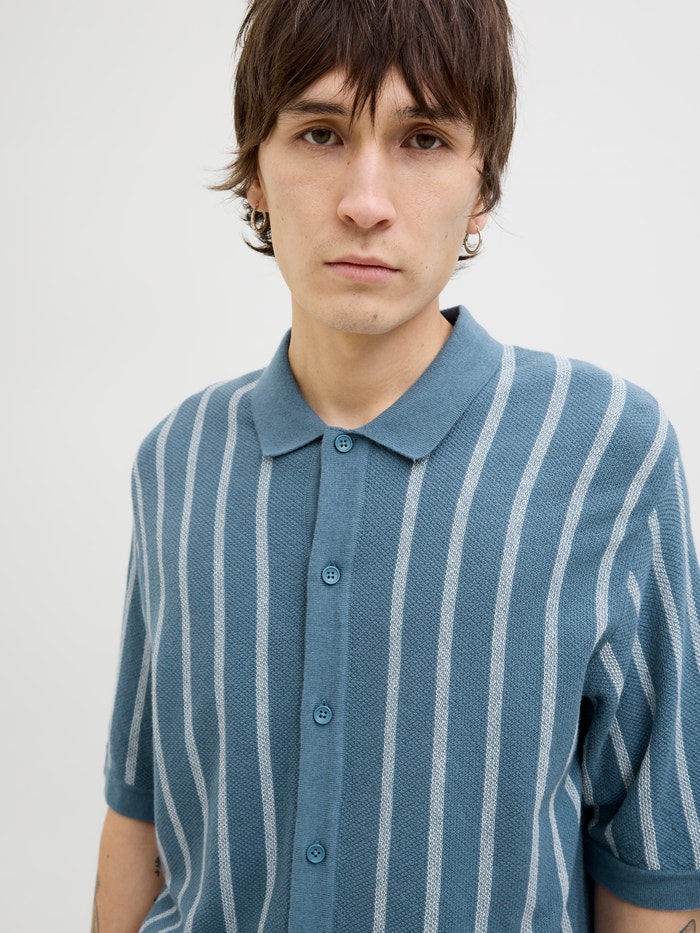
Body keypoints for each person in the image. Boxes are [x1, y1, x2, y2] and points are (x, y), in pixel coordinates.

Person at [92, 0, 700, 930]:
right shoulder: (177, 459)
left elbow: (655, 861)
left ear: (482, 183)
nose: (365, 202)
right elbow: (141, 815)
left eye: (423, 139)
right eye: (320, 133)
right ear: (256, 169)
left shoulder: (606, 451)